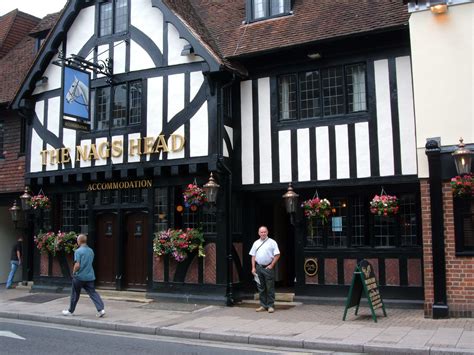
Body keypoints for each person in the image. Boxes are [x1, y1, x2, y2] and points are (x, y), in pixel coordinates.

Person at [62, 234, 105, 317]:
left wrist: (74, 272)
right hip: (90, 276)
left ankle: (71, 311)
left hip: (79, 277)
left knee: (75, 294)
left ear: (79, 241)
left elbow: (77, 265)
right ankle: (101, 309)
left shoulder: (78, 251)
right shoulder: (91, 251)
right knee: (93, 293)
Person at [249, 226, 280, 313]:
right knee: (261, 288)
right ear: (259, 233)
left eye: (264, 232)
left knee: (270, 287)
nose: (263, 233)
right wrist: (253, 267)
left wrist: (271, 265)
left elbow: (277, 254)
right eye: (261, 232)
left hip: (268, 268)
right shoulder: (256, 243)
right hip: (258, 267)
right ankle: (263, 305)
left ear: (267, 232)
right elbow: (253, 255)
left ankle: (270, 306)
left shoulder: (272, 242)